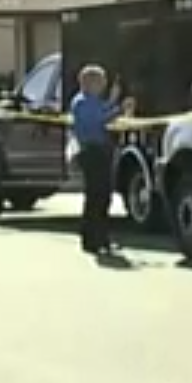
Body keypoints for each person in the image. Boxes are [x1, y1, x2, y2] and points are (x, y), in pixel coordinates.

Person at [69, 64, 132, 255]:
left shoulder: (92, 100)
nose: (103, 85)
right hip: (91, 152)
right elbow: (100, 119)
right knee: (96, 196)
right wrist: (117, 110)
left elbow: (103, 109)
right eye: (101, 82)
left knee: (102, 196)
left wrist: (115, 102)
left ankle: (100, 238)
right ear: (89, 83)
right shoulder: (81, 102)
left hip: (99, 151)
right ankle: (93, 238)